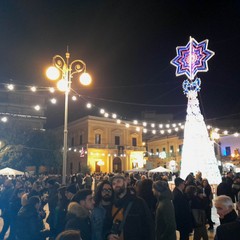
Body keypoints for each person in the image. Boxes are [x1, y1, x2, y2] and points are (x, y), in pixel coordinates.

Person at [108, 174, 154, 240]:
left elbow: (148, 226)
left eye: (118, 181)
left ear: (125, 183)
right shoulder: (112, 204)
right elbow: (107, 224)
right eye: (113, 183)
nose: (116, 185)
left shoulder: (138, 202)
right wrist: (108, 235)